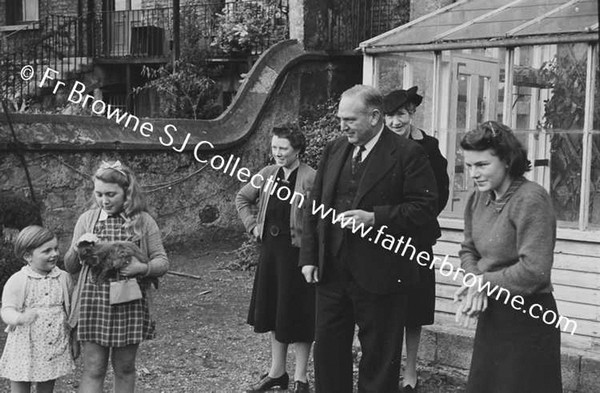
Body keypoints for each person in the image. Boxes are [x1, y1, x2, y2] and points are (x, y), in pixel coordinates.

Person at [300, 85, 439, 393]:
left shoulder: (408, 154)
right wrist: (309, 256)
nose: (342, 126)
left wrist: (377, 218)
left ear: (375, 117)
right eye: (340, 119)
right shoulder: (335, 149)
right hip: (332, 271)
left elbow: (425, 207)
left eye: (350, 119)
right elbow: (314, 205)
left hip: (382, 273)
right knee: (328, 353)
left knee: (378, 359)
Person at [454, 121, 562, 393]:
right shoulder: (478, 198)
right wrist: (474, 280)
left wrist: (481, 283)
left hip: (528, 318)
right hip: (493, 315)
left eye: (481, 165)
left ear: (506, 160)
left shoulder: (531, 199)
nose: (473, 174)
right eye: (469, 166)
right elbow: (468, 250)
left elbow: (534, 270)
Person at [64, 160, 169, 393]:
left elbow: (162, 262)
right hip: (93, 305)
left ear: (127, 192)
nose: (104, 200)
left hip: (129, 304)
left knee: (125, 368)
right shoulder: (87, 219)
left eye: (111, 194)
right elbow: (70, 266)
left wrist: (142, 269)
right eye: (99, 194)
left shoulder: (143, 221)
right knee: (94, 369)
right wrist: (79, 247)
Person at [236, 125, 316, 393]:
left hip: (298, 256)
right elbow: (242, 198)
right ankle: (277, 373)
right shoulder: (267, 175)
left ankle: (301, 377)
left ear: (298, 150)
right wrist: (252, 225)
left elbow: (319, 219)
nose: (278, 153)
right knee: (274, 313)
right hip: (271, 253)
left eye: (284, 148)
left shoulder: (311, 179)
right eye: (274, 148)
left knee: (301, 315)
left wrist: (313, 256)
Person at [383, 86, 450, 392]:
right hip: (382, 236)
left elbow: (439, 194)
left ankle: (410, 371)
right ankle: (385, 367)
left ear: (411, 114)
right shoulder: (378, 146)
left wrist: (414, 217)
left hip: (416, 238)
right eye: (389, 116)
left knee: (414, 307)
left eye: (400, 114)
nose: (395, 122)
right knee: (384, 307)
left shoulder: (429, 147)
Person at [0, 225, 74, 393]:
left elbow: (69, 306)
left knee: (47, 385)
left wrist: (73, 338)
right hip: (24, 344)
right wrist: (18, 318)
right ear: (28, 256)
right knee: (20, 384)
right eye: (47, 251)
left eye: (55, 248)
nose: (54, 254)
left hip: (52, 343)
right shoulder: (18, 280)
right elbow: (6, 309)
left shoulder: (63, 278)